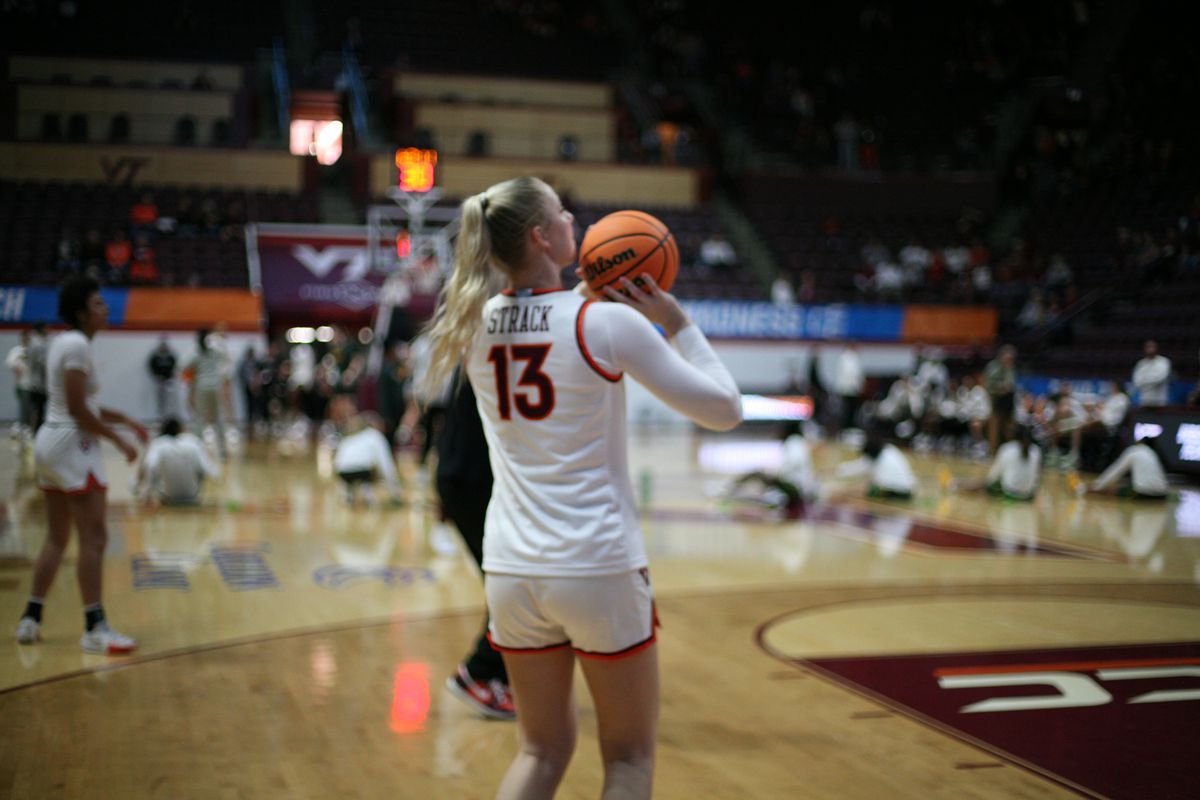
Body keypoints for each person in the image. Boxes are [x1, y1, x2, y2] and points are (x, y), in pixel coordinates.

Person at [422, 176, 742, 798]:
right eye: (561, 212)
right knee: (626, 759)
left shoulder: (475, 323)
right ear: (542, 235)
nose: (575, 219)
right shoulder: (608, 325)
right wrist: (674, 320)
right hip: (596, 563)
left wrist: (580, 297)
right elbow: (724, 408)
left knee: (540, 751)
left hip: (512, 568)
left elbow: (542, 317)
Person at [15, 276, 147, 653]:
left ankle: (30, 618)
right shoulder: (76, 345)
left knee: (57, 537)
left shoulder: (68, 343)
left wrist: (125, 420)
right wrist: (119, 440)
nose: (105, 309)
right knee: (94, 537)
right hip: (71, 443)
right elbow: (77, 409)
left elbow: (82, 405)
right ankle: (94, 627)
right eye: (98, 304)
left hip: (51, 441)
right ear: (81, 313)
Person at [438, 369, 514, 720]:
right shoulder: (496, 345)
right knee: (510, 584)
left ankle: (498, 673)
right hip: (471, 479)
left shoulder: (484, 343)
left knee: (508, 583)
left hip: (462, 475)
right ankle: (479, 673)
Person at [726, 421, 820, 518]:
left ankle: (732, 491)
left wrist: (773, 474)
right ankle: (740, 492)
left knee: (758, 473)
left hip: (797, 489)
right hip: (798, 488)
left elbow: (793, 464)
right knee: (760, 474)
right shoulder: (798, 442)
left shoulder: (793, 441)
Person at [135, 418, 219, 505]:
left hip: (168, 496)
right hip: (193, 495)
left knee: (155, 466)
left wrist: (146, 493)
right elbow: (211, 471)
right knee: (198, 467)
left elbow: (150, 466)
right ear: (181, 429)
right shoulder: (193, 441)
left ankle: (139, 486)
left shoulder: (158, 443)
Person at [331, 411, 402, 506]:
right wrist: (396, 492)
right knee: (369, 467)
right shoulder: (376, 435)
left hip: (342, 472)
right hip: (363, 471)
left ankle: (348, 494)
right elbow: (386, 465)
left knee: (353, 469)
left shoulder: (350, 436)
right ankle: (367, 490)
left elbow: (337, 462)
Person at [955, 426, 1041, 501]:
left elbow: (992, 478)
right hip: (1029, 496)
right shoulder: (1036, 451)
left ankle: (958, 485)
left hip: (1011, 495)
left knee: (983, 485)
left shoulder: (1007, 449)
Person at [1074, 434, 1169, 499]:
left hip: (1144, 493)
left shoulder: (1134, 450)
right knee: (1124, 487)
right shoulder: (1152, 453)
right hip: (1162, 495)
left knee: (1107, 490)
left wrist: (1097, 486)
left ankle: (1082, 488)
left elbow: (1115, 472)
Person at [836, 427, 917, 499]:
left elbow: (873, 481)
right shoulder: (890, 449)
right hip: (909, 489)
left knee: (863, 490)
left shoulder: (880, 461)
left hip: (897, 491)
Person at [184, 329, 228, 459]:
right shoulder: (215, 350)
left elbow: (182, 365)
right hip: (215, 386)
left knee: (200, 419)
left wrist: (193, 374)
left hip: (202, 387)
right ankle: (223, 451)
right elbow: (226, 357)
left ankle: (199, 451)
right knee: (218, 418)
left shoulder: (195, 352)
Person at [983, 344, 1017, 452]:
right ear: (1002, 357)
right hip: (996, 399)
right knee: (995, 426)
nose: (1010, 360)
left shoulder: (1011, 367)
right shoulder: (993, 367)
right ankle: (992, 450)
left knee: (1009, 425)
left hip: (1008, 399)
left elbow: (1011, 384)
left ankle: (1008, 450)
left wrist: (1007, 388)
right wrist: (1000, 388)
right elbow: (987, 384)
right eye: (1008, 358)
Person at [6, 330, 30, 441]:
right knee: (23, 409)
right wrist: (19, 364)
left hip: (34, 385)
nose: (27, 339)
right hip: (22, 384)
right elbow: (10, 364)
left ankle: (24, 429)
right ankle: (18, 429)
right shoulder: (16, 351)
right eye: (25, 337)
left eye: (28, 337)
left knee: (31, 410)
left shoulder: (33, 350)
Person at [1131, 340, 1171, 407]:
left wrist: (1144, 381)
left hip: (1159, 401)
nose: (1150, 349)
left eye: (1152, 347)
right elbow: (1137, 381)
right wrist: (1150, 380)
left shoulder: (1164, 361)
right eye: (1148, 347)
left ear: (1157, 348)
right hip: (1145, 400)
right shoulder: (1141, 363)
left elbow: (1160, 378)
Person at [147, 335, 178, 419]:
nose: (164, 348)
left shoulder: (171, 357)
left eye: (165, 346)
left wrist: (171, 377)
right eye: (162, 346)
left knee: (170, 398)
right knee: (160, 398)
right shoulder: (155, 357)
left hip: (169, 381)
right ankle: (160, 415)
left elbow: (175, 366)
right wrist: (157, 376)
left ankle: (170, 415)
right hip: (159, 380)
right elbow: (151, 367)